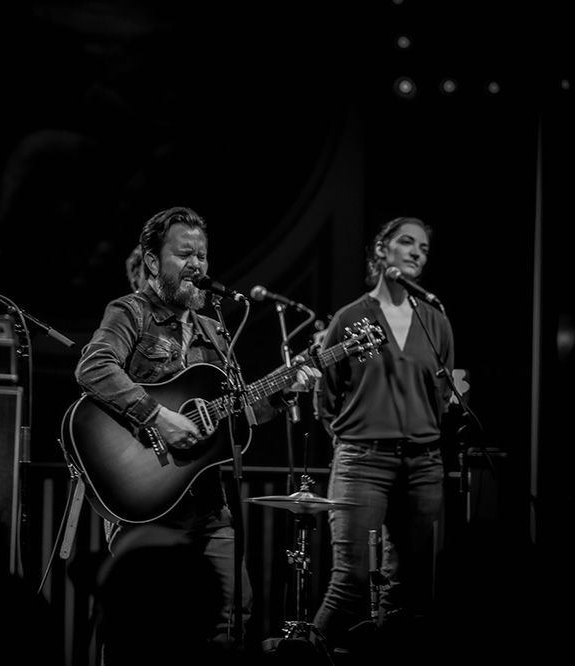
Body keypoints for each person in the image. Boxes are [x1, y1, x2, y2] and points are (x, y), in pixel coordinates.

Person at [74, 206, 320, 660]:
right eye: (184, 254)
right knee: (143, 630)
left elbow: (240, 410)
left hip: (208, 504)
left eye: (202, 256)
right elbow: (94, 367)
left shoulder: (214, 328)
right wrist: (157, 416)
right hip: (145, 504)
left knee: (231, 617)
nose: (197, 265)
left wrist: (286, 389)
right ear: (152, 261)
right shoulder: (131, 312)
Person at [310, 216, 454, 659]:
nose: (416, 252)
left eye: (424, 248)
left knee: (408, 589)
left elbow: (443, 394)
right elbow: (326, 397)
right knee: (350, 581)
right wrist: (357, 437)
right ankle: (308, 652)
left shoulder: (435, 320)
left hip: (424, 464)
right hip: (363, 461)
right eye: (406, 242)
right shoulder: (350, 318)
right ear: (381, 251)